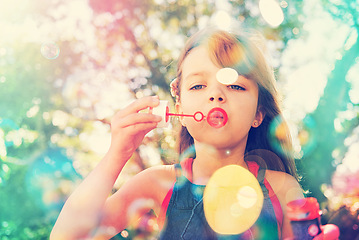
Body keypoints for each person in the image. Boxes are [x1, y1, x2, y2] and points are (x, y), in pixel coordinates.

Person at [50, 27, 304, 240]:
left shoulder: (281, 189)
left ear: (258, 114)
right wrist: (118, 154)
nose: (215, 95)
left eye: (235, 85)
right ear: (179, 106)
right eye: (198, 85)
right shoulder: (156, 185)